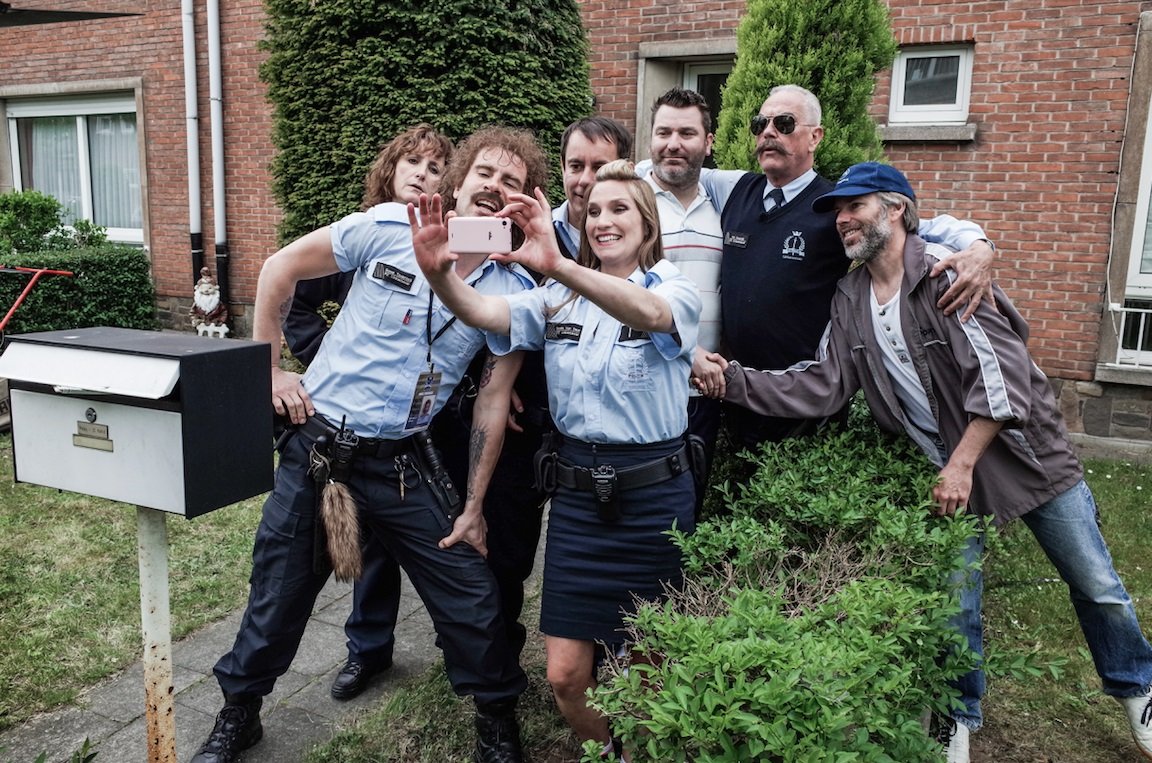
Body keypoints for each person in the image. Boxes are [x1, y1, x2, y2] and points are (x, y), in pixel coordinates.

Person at [698, 162, 1152, 763]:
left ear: (896, 211)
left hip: (1025, 458)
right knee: (955, 604)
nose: (841, 219)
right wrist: (732, 381)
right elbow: (826, 383)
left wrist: (961, 465)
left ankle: (1137, 689)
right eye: (836, 211)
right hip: (948, 467)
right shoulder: (850, 296)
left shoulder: (948, 274)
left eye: (854, 206)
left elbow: (1004, 378)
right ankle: (958, 715)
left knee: (1096, 585)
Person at [188, 125, 550, 763]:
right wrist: (270, 370)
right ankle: (239, 712)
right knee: (278, 593)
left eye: (513, 183)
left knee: (471, 592)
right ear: (458, 183)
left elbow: (493, 400)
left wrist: (472, 508)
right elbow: (278, 270)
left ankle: (496, 722)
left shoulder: (514, 288)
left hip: (403, 464)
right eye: (485, 175)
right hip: (319, 451)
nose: (495, 189)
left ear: (524, 203)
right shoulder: (386, 226)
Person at [412, 160, 702, 761]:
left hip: (653, 504)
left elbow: (648, 317)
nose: (603, 220)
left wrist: (560, 264)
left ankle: (640, 752)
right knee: (567, 677)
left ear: (647, 225)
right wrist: (441, 276)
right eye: (593, 210)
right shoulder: (557, 299)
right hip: (577, 505)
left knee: (649, 670)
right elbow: (486, 314)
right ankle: (612, 754)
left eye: (619, 209)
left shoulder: (674, 287)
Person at [668, 84, 997, 450]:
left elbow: (915, 226)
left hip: (805, 405)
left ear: (815, 136)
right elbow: (666, 168)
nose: (768, 132)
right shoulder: (734, 189)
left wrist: (980, 245)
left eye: (785, 123)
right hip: (735, 394)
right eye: (760, 123)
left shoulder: (835, 209)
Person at [279, 123, 453, 702]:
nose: (422, 175)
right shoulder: (360, 236)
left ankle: (398, 646)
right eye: (413, 164)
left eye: (434, 168)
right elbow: (298, 301)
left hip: (413, 426)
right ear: (390, 170)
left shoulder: (445, 243)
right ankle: (362, 649)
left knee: (395, 542)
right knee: (337, 547)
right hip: (340, 424)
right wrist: (321, 360)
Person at [643, 86, 724, 515]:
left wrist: (968, 239)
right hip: (644, 387)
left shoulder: (727, 204)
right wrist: (686, 351)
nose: (673, 143)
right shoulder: (629, 201)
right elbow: (620, 291)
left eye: (687, 133)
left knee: (686, 512)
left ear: (708, 143)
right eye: (663, 132)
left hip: (704, 395)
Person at [552, 117, 634, 258]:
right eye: (576, 167)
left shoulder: (641, 242)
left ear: (626, 171)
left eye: (598, 168)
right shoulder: (535, 235)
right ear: (562, 167)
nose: (585, 180)